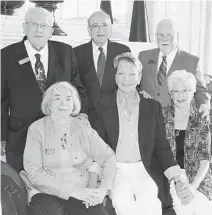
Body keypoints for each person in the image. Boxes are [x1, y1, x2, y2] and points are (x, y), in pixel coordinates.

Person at [96, 52, 194, 215]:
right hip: (116, 168)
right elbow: (98, 145)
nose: (126, 79)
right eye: (121, 73)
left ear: (139, 77)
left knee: (150, 203)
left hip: (144, 167)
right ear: (115, 77)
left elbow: (162, 146)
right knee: (121, 201)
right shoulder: (103, 105)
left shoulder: (152, 106)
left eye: (132, 74)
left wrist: (177, 178)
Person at [138, 18, 210, 214]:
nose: (164, 38)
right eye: (160, 35)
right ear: (155, 37)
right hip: (156, 124)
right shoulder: (144, 57)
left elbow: (201, 88)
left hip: (182, 119)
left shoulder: (191, 59)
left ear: (177, 36)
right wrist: (141, 93)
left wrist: (203, 104)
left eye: (169, 35)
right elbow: (136, 84)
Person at [1, 7, 87, 172]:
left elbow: (77, 90)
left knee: (56, 189)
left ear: (51, 30)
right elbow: (2, 99)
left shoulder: (65, 52)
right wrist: (1, 136)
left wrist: (79, 117)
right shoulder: (6, 55)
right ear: (24, 27)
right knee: (22, 187)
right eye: (34, 24)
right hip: (20, 137)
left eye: (44, 25)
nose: (39, 29)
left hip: (61, 137)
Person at [19, 81, 116, 215]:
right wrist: (72, 192)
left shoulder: (83, 128)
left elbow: (108, 157)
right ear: (48, 104)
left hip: (82, 190)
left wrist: (103, 190)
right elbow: (35, 173)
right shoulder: (37, 129)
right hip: (47, 190)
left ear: (74, 105)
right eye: (57, 98)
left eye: (68, 99)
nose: (63, 104)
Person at [163, 70, 212, 215]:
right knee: (183, 207)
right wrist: (177, 181)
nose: (180, 95)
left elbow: (205, 158)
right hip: (171, 175)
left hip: (198, 176)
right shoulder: (162, 116)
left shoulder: (201, 118)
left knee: (203, 208)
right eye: (176, 91)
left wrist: (193, 186)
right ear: (170, 93)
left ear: (193, 92)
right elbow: (160, 153)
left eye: (185, 90)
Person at [74, 11, 130, 131]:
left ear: (110, 28)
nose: (100, 30)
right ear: (89, 30)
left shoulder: (123, 51)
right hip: (85, 117)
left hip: (116, 116)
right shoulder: (76, 53)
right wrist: (81, 112)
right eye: (95, 26)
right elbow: (74, 85)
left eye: (104, 25)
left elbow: (129, 83)